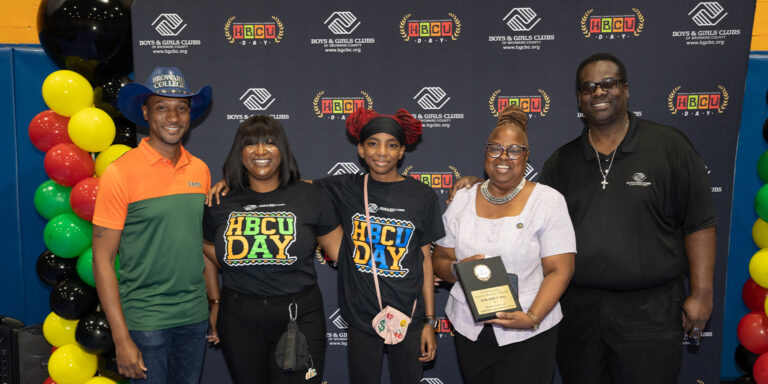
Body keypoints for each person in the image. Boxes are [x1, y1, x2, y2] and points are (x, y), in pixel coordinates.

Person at [208, 107, 443, 384]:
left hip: (408, 313)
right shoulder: (345, 186)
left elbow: (425, 257)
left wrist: (430, 319)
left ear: (402, 151)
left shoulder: (423, 196)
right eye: (373, 144)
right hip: (362, 316)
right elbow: (288, 185)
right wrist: (233, 181)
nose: (382, 152)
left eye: (391, 145)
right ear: (360, 149)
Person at [539, 53, 717, 383]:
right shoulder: (561, 162)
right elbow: (527, 213)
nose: (599, 92)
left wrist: (702, 294)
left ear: (626, 89)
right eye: (588, 87)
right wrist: (481, 188)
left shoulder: (669, 146)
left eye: (609, 83)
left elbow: (700, 222)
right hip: (579, 311)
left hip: (651, 310)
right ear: (579, 97)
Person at [432, 105, 575, 383]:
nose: (503, 157)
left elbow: (560, 269)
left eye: (514, 150)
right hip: (469, 328)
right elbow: (440, 259)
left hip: (528, 330)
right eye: (495, 148)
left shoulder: (548, 201)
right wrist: (457, 268)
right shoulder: (462, 198)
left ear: (526, 155)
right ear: (486, 152)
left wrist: (532, 317)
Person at [92, 66, 215, 383]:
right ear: (145, 112)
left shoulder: (200, 170)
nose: (173, 118)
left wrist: (214, 302)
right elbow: (103, 260)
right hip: (146, 321)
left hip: (194, 316)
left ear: (190, 115)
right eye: (162, 107)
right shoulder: (121, 173)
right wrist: (121, 339)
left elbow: (199, 244)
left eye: (181, 108)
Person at [202, 115, 343, 383]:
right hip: (239, 318)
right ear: (239, 153)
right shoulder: (220, 201)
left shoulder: (310, 196)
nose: (260, 151)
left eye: (269, 143)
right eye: (250, 144)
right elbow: (207, 247)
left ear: (283, 150)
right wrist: (217, 300)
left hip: (299, 316)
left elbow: (342, 253)